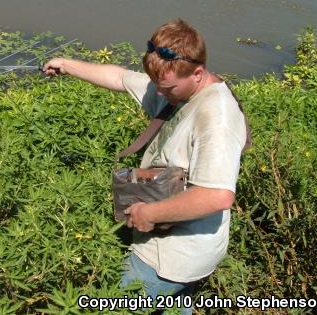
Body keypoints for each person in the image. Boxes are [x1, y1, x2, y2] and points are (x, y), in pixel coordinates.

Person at [42, 19, 249, 314]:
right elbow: (120, 78)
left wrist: (149, 213)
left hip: (170, 256)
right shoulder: (176, 85)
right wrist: (65, 64)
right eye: (157, 86)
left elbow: (217, 196)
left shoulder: (216, 117)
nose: (159, 94)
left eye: (167, 88)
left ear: (198, 73)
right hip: (182, 251)